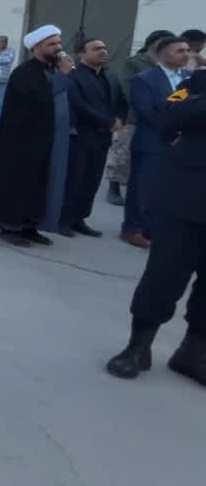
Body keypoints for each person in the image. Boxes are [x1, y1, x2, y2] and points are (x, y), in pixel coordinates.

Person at [105, 67, 206, 386]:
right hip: (186, 201)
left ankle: (192, 353)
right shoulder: (195, 84)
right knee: (164, 276)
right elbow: (167, 116)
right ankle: (138, 346)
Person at [0, 24, 73, 246]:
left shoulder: (51, 70)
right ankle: (10, 227)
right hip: (21, 142)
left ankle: (29, 226)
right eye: (51, 44)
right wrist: (63, 76)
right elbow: (41, 99)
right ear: (37, 47)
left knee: (38, 184)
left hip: (44, 140)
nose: (57, 47)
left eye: (58, 43)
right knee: (18, 184)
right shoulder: (25, 73)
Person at [124, 36, 194, 249]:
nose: (185, 54)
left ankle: (154, 229)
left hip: (180, 143)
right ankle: (133, 228)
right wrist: (175, 129)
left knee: (167, 189)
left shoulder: (190, 78)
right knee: (142, 187)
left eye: (187, 50)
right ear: (163, 54)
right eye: (179, 51)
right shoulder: (145, 79)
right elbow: (148, 113)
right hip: (152, 141)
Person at [60, 38, 126, 238]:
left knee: (92, 180)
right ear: (82, 54)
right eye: (96, 48)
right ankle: (63, 219)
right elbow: (78, 104)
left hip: (103, 138)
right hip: (80, 136)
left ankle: (79, 218)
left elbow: (122, 102)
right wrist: (107, 122)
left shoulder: (110, 77)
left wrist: (119, 120)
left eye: (104, 48)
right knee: (74, 179)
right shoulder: (73, 75)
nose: (103, 51)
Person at [104, 30, 175, 206]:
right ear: (153, 42)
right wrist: (145, 105)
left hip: (159, 116)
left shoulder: (168, 64)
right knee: (122, 152)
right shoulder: (134, 62)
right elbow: (127, 87)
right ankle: (114, 188)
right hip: (133, 115)